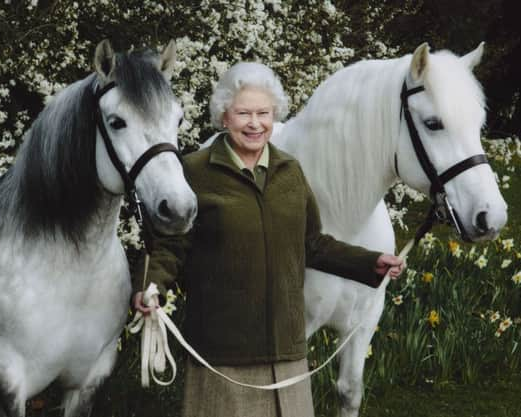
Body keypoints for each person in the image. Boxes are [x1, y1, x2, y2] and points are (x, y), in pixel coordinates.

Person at [132, 62, 404, 417]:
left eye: (263, 113)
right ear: (223, 117)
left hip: (287, 354)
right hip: (223, 355)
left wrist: (369, 262)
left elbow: (312, 244)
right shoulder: (195, 171)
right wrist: (150, 285)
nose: (254, 123)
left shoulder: (290, 171)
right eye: (243, 112)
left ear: (275, 116)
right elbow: (171, 246)